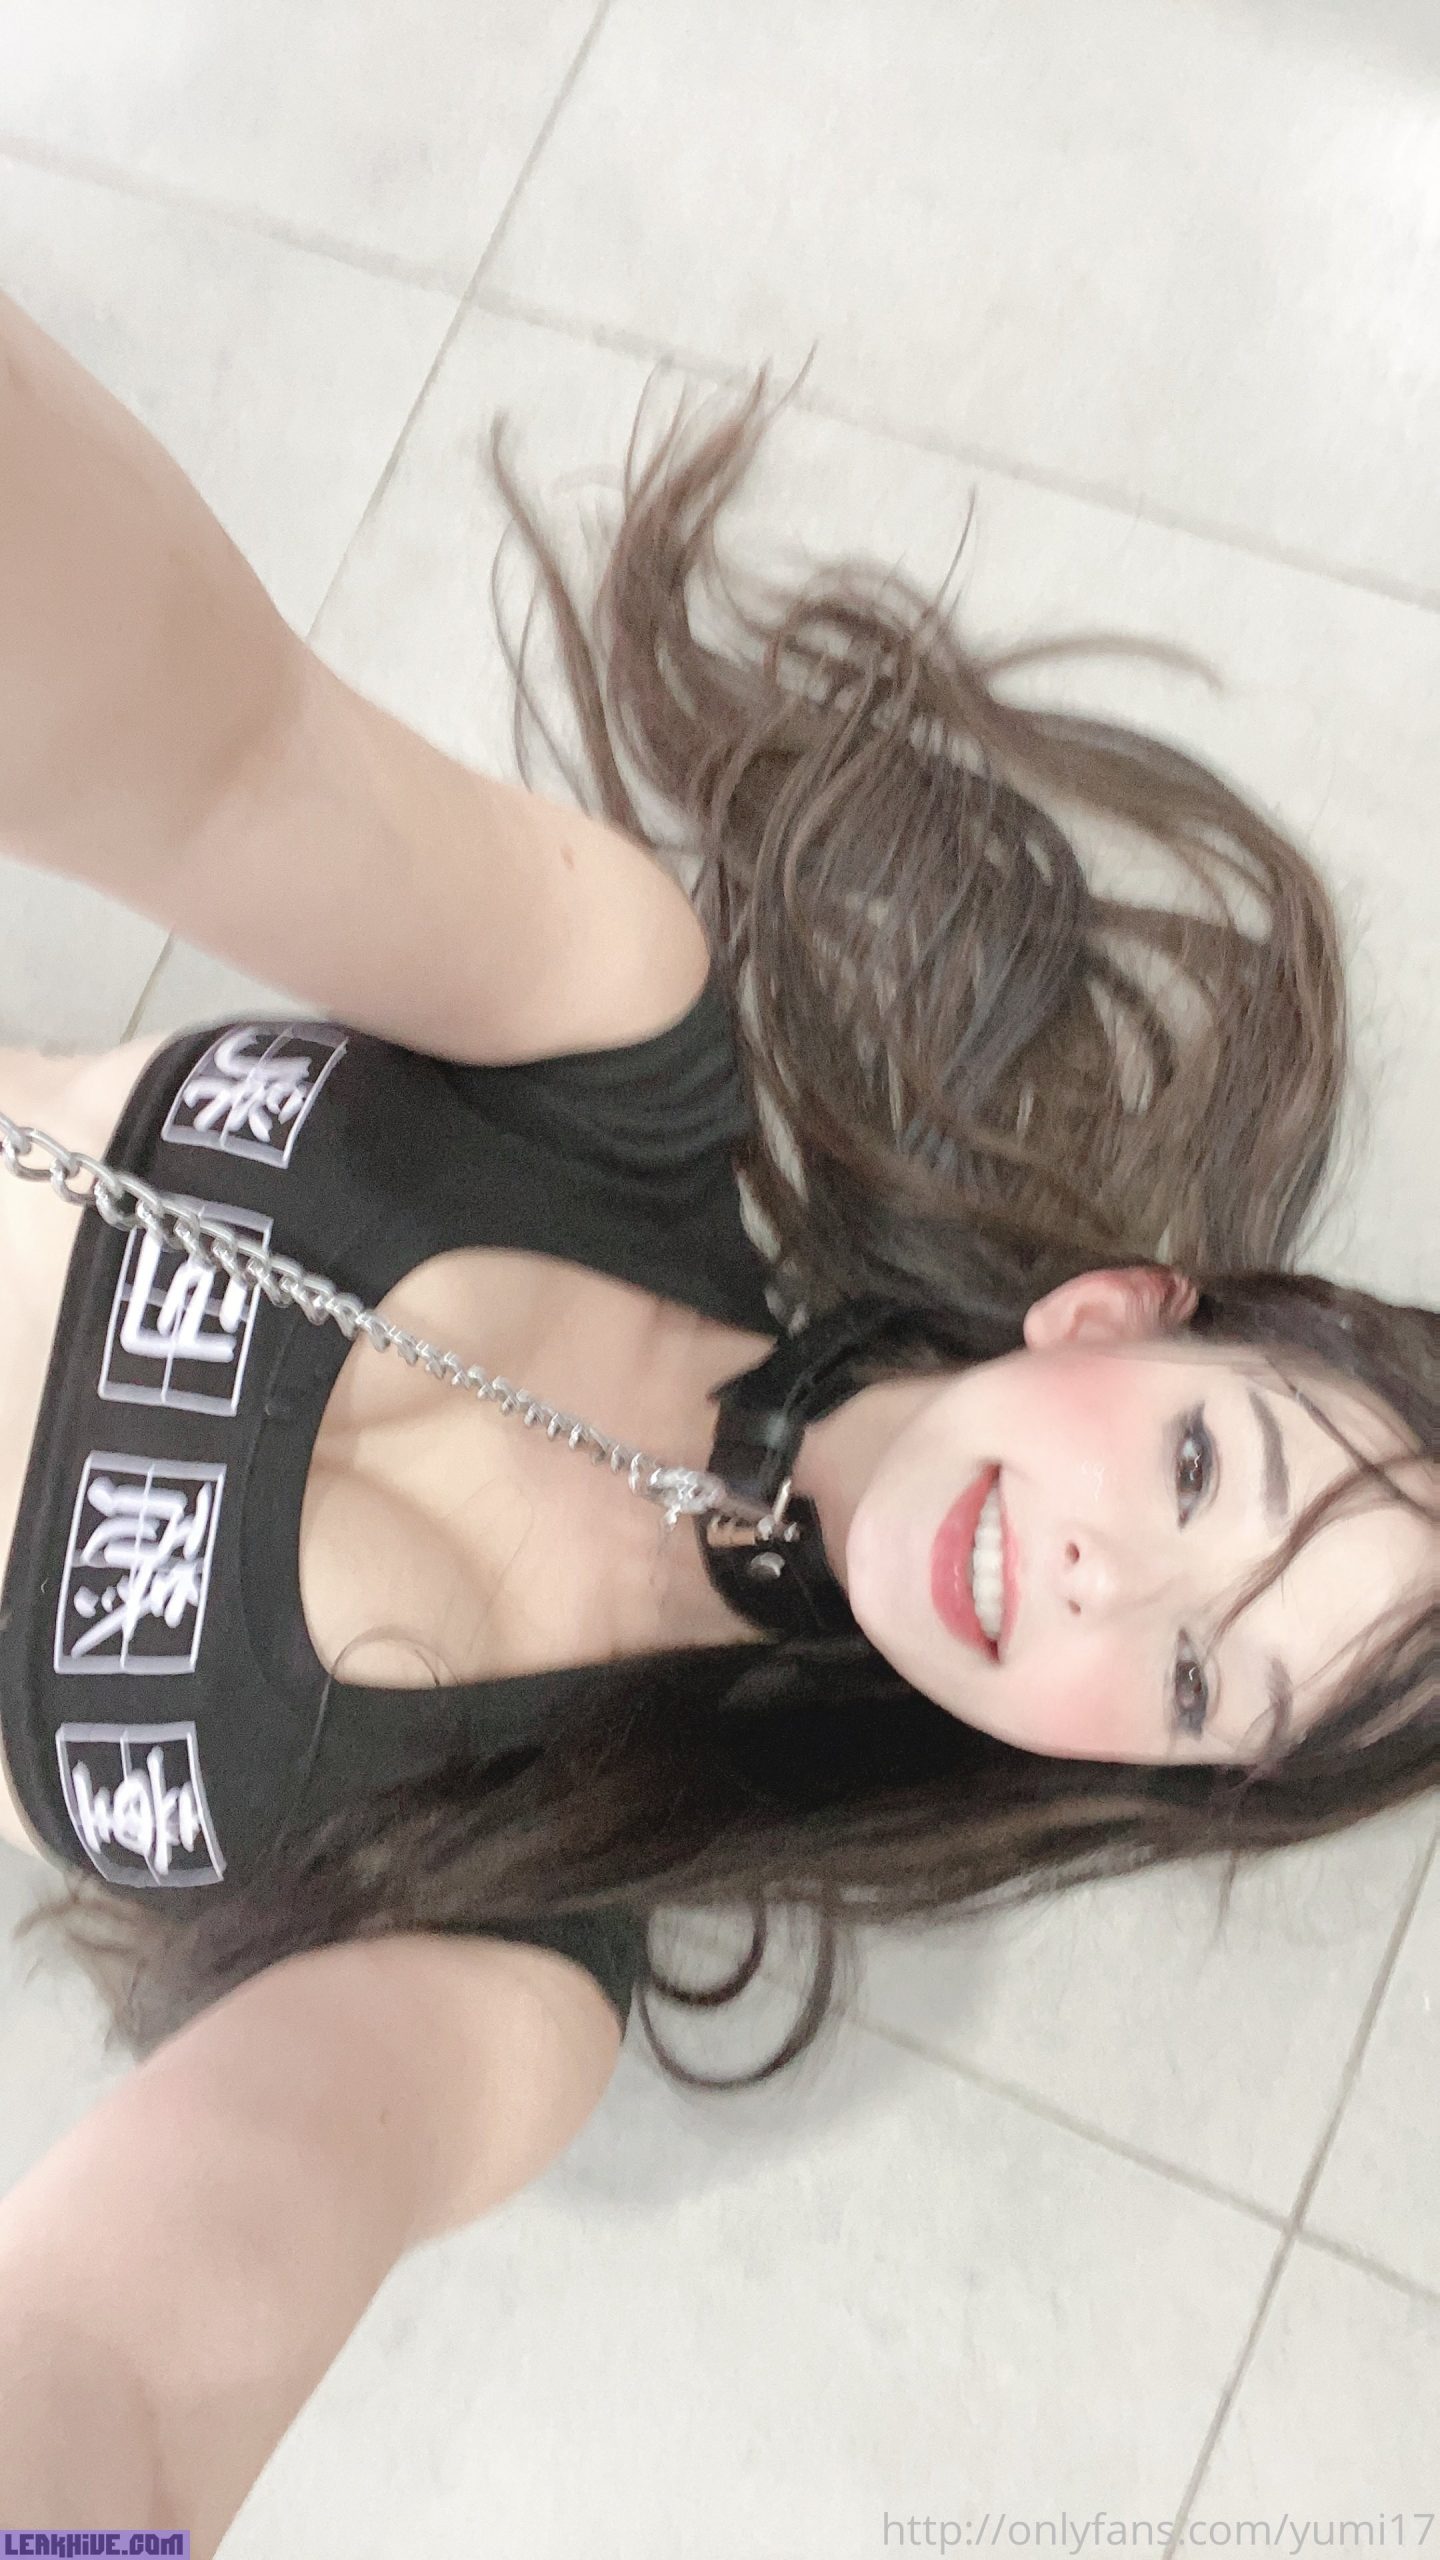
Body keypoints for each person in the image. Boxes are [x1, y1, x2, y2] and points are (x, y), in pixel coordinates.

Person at [0, 285, 1433, 2545]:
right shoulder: (610, 1031)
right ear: (1111, 1317)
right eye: (1194, 1467)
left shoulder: (521, 1954)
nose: (1104, 1576)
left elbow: (129, 2355)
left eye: (1191, 1676)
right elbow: (202, 737)